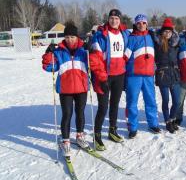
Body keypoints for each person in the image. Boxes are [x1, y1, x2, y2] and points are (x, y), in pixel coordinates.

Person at [42, 23, 89, 156]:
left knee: (80, 113)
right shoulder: (59, 51)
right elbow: (49, 67)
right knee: (67, 114)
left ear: (77, 37)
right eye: (67, 37)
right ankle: (66, 141)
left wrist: (90, 49)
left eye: (72, 37)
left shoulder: (83, 50)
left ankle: (80, 136)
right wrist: (48, 54)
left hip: (81, 87)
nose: (70, 39)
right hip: (65, 89)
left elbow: (95, 61)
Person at [89, 9, 130, 150]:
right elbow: (95, 59)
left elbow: (128, 50)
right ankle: (97, 135)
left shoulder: (124, 34)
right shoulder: (100, 36)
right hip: (104, 76)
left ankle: (112, 130)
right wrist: (101, 78)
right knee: (103, 106)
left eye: (116, 19)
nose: (114, 21)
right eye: (111, 18)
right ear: (108, 19)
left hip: (120, 75)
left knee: (115, 104)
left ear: (120, 20)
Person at [124, 14, 160, 139]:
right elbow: (125, 57)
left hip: (148, 75)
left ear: (147, 24)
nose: (141, 25)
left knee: (151, 100)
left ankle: (153, 123)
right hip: (134, 76)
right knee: (132, 102)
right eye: (138, 23)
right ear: (135, 24)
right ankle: (133, 127)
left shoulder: (151, 37)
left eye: (143, 23)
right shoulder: (132, 38)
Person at [151, 18, 180, 133]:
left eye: (170, 31)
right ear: (162, 32)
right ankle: (167, 122)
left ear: (172, 32)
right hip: (162, 74)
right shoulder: (157, 43)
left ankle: (172, 119)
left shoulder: (175, 43)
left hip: (174, 74)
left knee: (177, 101)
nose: (167, 33)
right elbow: (149, 33)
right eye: (165, 31)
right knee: (166, 100)